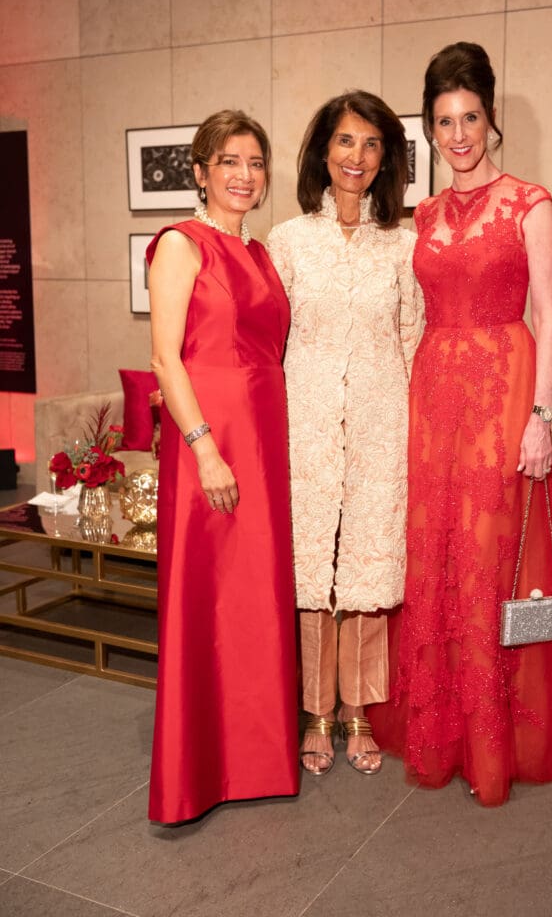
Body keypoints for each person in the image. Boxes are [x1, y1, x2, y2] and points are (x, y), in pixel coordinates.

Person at [370, 43, 552, 805]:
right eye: (444, 121)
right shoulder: (421, 214)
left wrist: (540, 417)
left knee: (490, 556)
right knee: (437, 556)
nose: (458, 135)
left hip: (502, 391)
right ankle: (443, 729)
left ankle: (494, 740)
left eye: (471, 118)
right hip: (433, 398)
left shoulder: (529, 203)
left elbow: (548, 318)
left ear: (491, 118)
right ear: (429, 127)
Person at [146, 110, 299, 823]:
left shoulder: (260, 252)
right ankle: (198, 771)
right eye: (229, 161)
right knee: (208, 599)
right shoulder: (182, 244)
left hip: (263, 436)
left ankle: (257, 759)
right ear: (201, 171)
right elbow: (164, 359)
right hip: (209, 437)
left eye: (255, 162)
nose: (244, 174)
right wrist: (205, 447)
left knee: (253, 598)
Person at [267, 91, 424, 775]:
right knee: (311, 571)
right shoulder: (288, 240)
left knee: (367, 568)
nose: (356, 156)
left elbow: (413, 337)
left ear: (386, 158)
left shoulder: (405, 245)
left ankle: (359, 713)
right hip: (304, 425)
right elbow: (269, 340)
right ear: (322, 152)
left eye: (371, 143)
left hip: (381, 425)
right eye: (345, 141)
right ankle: (316, 713)